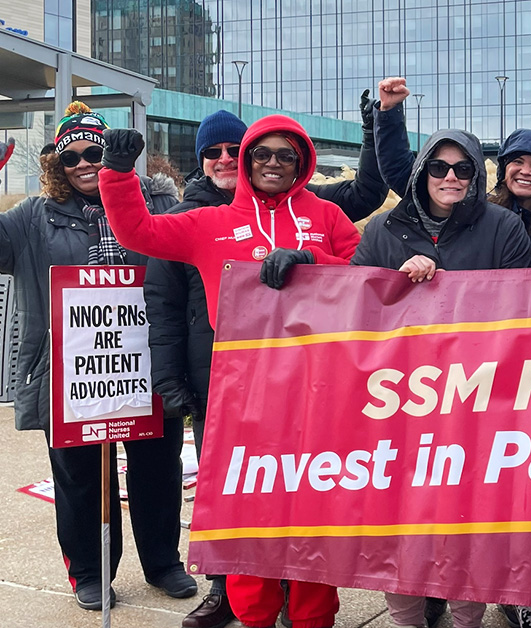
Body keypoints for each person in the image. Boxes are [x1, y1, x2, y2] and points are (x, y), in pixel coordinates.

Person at [97, 115, 362, 628]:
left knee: (313, 507)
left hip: (319, 386)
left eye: (286, 155)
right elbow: (138, 231)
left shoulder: (326, 214)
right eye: (262, 154)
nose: (273, 163)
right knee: (248, 509)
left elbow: (367, 273)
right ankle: (254, 614)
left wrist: (313, 260)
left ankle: (312, 616)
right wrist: (117, 172)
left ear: (302, 163)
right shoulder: (210, 222)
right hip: (242, 392)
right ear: (246, 161)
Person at [0, 102, 194, 610]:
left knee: (157, 468)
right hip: (72, 373)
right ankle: (89, 570)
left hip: (147, 364)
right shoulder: (32, 217)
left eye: (96, 151)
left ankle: (164, 561)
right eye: (72, 157)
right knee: (81, 476)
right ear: (56, 166)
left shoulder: (155, 203)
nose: (85, 163)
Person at [352, 124, 531, 628]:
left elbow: (520, 304)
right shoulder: (383, 230)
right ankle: (406, 619)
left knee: (469, 521)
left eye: (462, 168)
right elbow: (354, 305)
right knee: (401, 523)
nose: (450, 177)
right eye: (438, 167)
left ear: (477, 175)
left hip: (477, 400)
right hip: (400, 402)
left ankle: (465, 620)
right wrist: (397, 283)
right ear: (421, 173)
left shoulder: (503, 227)